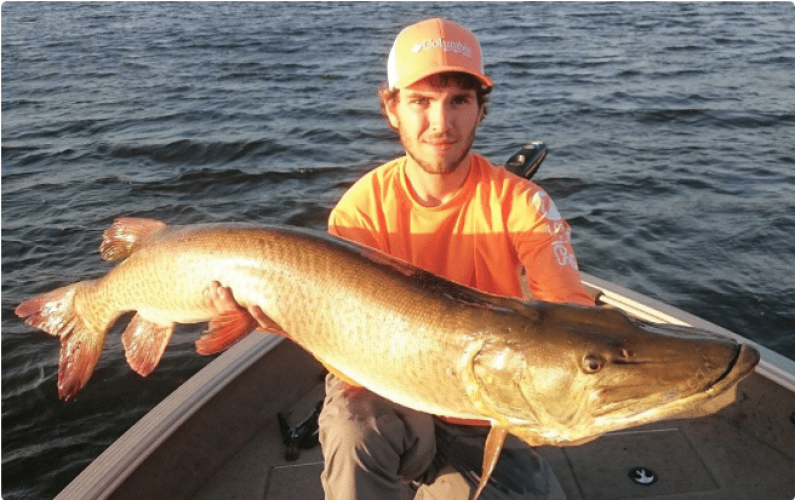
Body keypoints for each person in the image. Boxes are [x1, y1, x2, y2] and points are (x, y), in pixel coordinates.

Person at [206, 18, 593, 500]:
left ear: (480, 109)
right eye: (420, 102)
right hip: (387, 396)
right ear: (391, 108)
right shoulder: (361, 208)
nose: (441, 123)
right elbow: (333, 326)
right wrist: (273, 318)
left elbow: (571, 313)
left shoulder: (525, 204)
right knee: (352, 427)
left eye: (459, 100)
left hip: (486, 409)